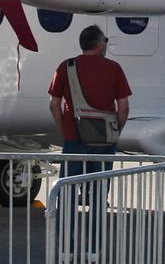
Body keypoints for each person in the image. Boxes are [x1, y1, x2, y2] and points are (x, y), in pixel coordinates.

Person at [48, 25, 133, 173]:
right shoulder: (114, 68)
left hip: (74, 138)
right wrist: (115, 131)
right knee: (97, 190)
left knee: (69, 188)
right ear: (100, 44)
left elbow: (54, 105)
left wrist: (65, 132)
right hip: (105, 139)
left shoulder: (66, 67)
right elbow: (124, 108)